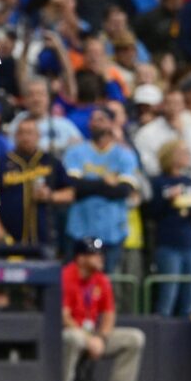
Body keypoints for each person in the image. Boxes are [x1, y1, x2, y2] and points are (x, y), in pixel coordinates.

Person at [61, 238, 145, 381]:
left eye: (101, 253)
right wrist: (89, 339)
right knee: (73, 337)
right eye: (94, 254)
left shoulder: (101, 280)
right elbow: (64, 316)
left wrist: (101, 338)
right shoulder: (66, 276)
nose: (101, 258)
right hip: (72, 332)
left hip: (93, 334)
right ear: (80, 258)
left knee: (135, 338)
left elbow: (109, 315)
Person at [64, 108, 139, 273]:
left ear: (112, 124)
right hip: (79, 227)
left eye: (101, 119)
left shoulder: (124, 154)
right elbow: (73, 185)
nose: (95, 123)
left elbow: (123, 190)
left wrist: (88, 184)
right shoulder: (76, 151)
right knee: (75, 281)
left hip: (112, 230)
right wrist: (105, 182)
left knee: (105, 284)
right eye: (93, 119)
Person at [0, 117, 73, 246]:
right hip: (10, 240)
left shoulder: (50, 161)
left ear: (38, 136)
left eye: (30, 133)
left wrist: (50, 196)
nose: (25, 137)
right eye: (21, 133)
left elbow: (70, 193)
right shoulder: (2, 163)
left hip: (45, 239)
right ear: (15, 136)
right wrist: (0, 233)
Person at [147, 141, 191, 317]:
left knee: (190, 293)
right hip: (168, 244)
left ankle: (189, 338)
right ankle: (162, 336)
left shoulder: (188, 180)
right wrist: (167, 199)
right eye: (183, 152)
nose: (187, 155)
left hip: (190, 243)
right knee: (168, 294)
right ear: (171, 155)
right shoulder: (158, 182)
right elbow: (151, 212)